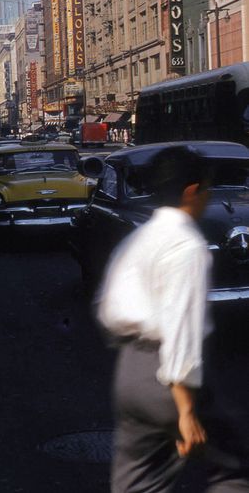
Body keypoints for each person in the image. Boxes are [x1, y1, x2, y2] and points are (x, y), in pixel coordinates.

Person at [97, 145, 248, 492]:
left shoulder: (142, 235)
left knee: (136, 483)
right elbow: (180, 330)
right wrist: (187, 409)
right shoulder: (186, 245)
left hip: (129, 374)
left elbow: (110, 305)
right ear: (191, 192)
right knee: (233, 469)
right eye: (207, 190)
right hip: (167, 382)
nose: (209, 198)